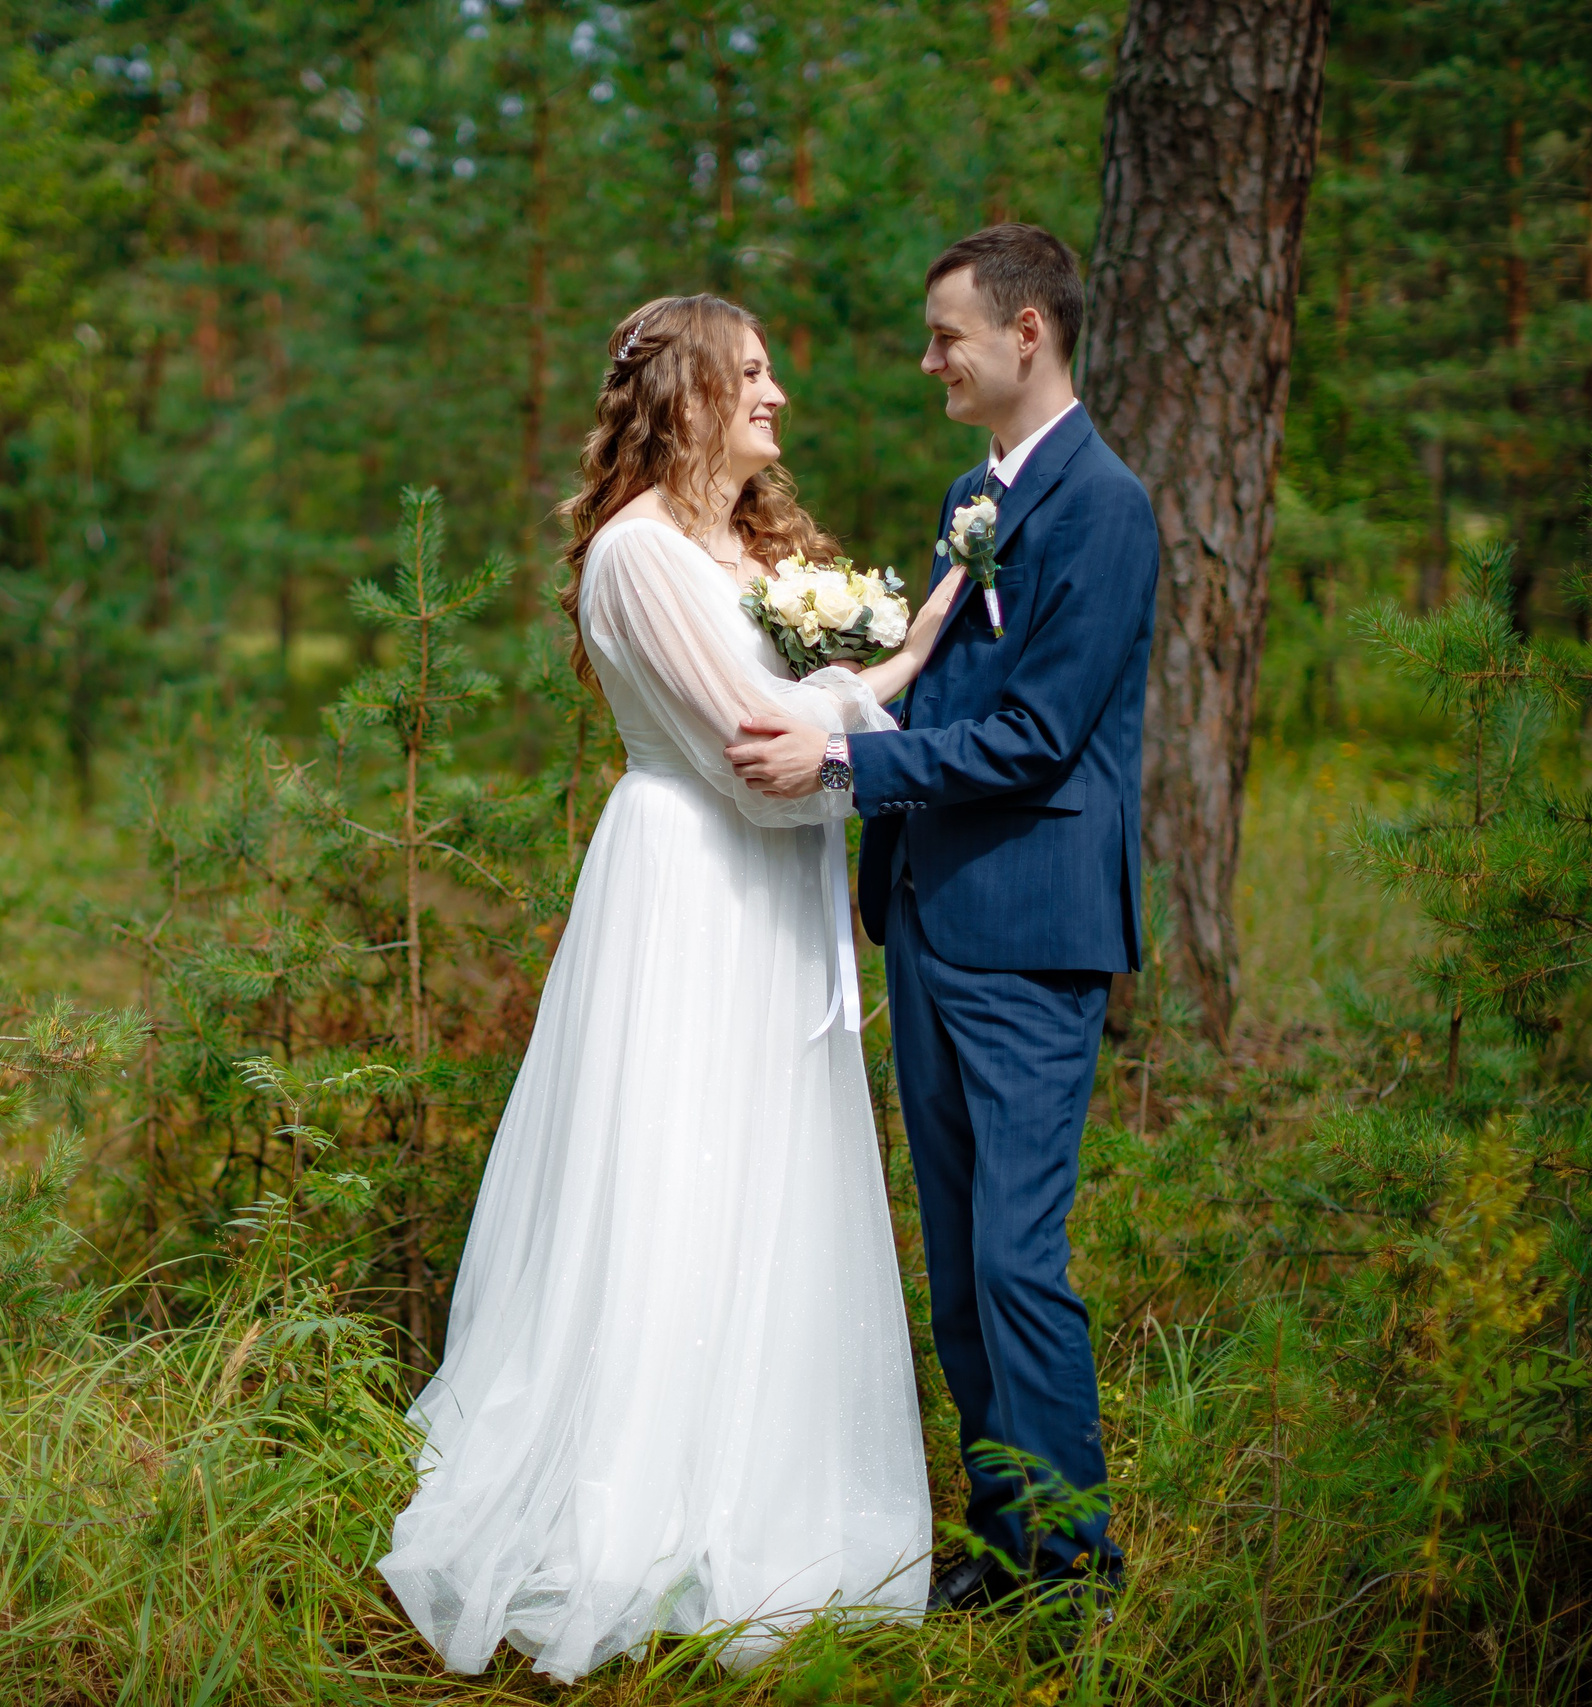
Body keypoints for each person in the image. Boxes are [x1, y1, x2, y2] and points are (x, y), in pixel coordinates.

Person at [376, 294, 967, 1683]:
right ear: (688, 394)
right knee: (675, 1178)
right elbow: (749, 765)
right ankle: (642, 1507)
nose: (776, 398)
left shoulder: (736, 545)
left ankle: (766, 1493)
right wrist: (897, 692)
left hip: (765, 906)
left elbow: (794, 735)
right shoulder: (640, 555)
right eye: (750, 376)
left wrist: (901, 655)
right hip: (695, 893)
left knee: (769, 1182)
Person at [728, 223, 1159, 1614]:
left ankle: (1075, 1571)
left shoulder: (1104, 508)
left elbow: (1036, 738)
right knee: (962, 1257)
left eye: (947, 337)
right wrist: (833, 693)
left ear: (1025, 333)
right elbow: (936, 689)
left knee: (1018, 1261)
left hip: (1031, 936)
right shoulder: (972, 495)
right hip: (930, 916)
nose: (931, 361)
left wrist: (844, 765)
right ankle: (1002, 1536)